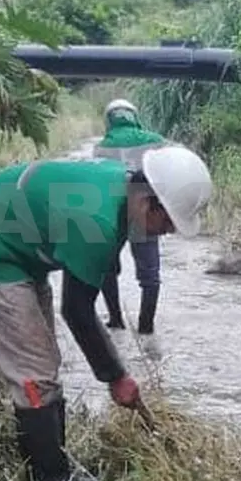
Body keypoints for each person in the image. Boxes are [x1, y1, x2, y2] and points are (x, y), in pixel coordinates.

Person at [0, 145, 213, 481]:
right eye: (168, 223)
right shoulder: (97, 220)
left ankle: (58, 463)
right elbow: (78, 311)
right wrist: (116, 377)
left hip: (18, 249)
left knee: (45, 361)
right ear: (149, 201)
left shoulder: (120, 193)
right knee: (34, 371)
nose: (167, 233)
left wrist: (113, 371)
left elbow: (95, 282)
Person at [92, 99, 169, 334]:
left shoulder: (102, 145)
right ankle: (146, 328)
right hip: (146, 209)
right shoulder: (155, 141)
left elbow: (97, 181)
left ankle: (116, 320)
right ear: (134, 117)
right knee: (150, 276)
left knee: (107, 268)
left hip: (112, 210)